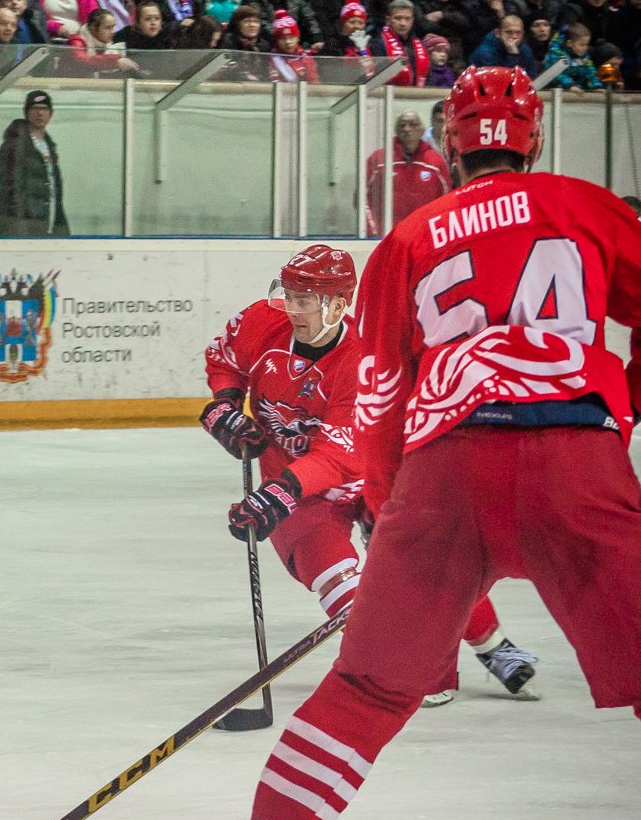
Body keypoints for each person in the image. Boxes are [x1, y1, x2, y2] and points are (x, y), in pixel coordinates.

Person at [197, 64, 641, 820]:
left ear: (449, 145)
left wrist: (394, 508)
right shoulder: (586, 205)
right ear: (534, 139)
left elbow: (383, 400)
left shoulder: (409, 237)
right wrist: (621, 407)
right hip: (575, 459)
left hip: (444, 474)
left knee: (365, 690)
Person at [202, 244, 542, 712]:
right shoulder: (262, 321)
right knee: (346, 588)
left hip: (370, 477)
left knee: (427, 560)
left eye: (306, 300)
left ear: (338, 305)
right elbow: (224, 360)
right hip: (302, 498)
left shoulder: (361, 361)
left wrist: (278, 493)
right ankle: (406, 662)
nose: (293, 309)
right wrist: (224, 405)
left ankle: (491, 644)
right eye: (290, 296)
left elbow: (336, 456)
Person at [0, 90, 70, 237]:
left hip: (48, 228)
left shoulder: (49, 146)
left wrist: (61, 228)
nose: (40, 113)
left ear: (50, 113)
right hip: (26, 231)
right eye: (35, 108)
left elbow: (54, 192)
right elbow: (8, 192)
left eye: (44, 109)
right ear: (26, 112)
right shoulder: (15, 146)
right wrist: (16, 230)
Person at [364, 110, 450, 237]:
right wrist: (374, 231)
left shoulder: (436, 162)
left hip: (424, 237)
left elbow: (447, 201)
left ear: (421, 130)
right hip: (386, 237)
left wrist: (437, 232)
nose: (407, 129)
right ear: (396, 130)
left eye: (412, 124)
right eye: (402, 125)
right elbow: (362, 199)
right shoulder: (379, 160)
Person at [369, 0, 430, 85]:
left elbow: (428, 77)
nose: (403, 23)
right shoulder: (378, 44)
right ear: (388, 20)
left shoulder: (420, 45)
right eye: (398, 18)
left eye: (407, 19)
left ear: (412, 21)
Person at [468, 12, 539, 73]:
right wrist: (513, 54)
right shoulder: (485, 53)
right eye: (509, 32)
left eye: (518, 32)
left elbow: (532, 76)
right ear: (498, 33)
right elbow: (502, 81)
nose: (514, 36)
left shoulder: (525, 49)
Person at [545, 23, 606, 91]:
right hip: (554, 90)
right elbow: (558, 74)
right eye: (582, 45)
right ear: (569, 43)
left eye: (587, 44)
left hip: (578, 89)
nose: (586, 48)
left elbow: (591, 72)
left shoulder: (585, 56)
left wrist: (597, 86)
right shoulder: (556, 53)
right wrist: (570, 85)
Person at [268, 9, 319, 80]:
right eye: (282, 38)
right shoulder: (273, 59)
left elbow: (314, 82)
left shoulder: (307, 58)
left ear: (298, 38)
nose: (288, 42)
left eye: (291, 37)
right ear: (277, 41)